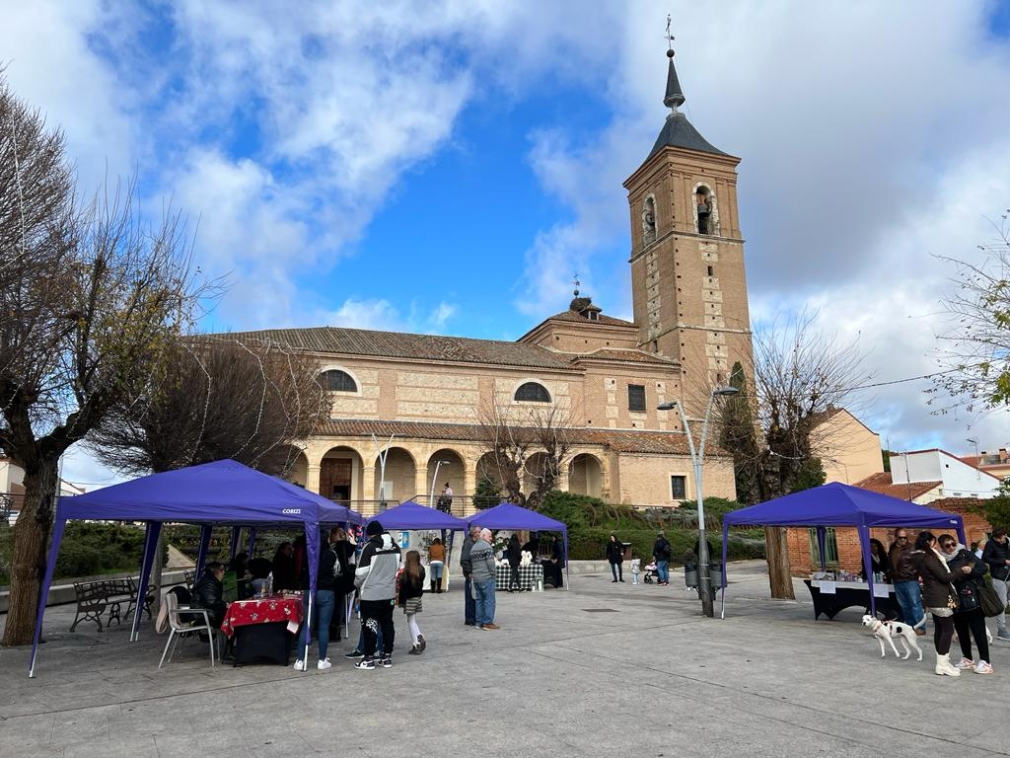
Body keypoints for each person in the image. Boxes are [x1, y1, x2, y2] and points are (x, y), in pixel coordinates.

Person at [910, 530, 973, 676]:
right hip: (940, 596)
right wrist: (961, 570)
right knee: (947, 630)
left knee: (940, 628)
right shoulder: (928, 557)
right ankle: (942, 664)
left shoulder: (918, 556)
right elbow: (944, 577)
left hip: (932, 595)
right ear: (929, 542)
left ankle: (943, 661)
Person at [939, 534, 993, 674]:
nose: (951, 547)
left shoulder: (964, 553)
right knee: (961, 630)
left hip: (971, 596)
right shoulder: (941, 559)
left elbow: (983, 568)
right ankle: (967, 659)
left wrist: (970, 572)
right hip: (955, 599)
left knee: (978, 630)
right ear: (942, 547)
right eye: (947, 545)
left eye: (953, 543)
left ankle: (986, 662)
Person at [353, 520, 401, 669]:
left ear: (370, 534)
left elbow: (361, 573)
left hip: (371, 594)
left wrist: (356, 584)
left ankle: (368, 658)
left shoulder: (369, 547)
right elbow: (398, 568)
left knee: (370, 625)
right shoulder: (396, 547)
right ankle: (387, 656)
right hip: (389, 594)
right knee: (387, 624)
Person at [294, 527, 341, 671]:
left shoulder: (309, 554)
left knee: (307, 625)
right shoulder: (332, 554)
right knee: (323, 626)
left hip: (309, 590)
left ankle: (300, 660)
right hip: (326, 591)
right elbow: (336, 571)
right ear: (327, 540)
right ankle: (322, 660)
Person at [888, 527, 925, 635]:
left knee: (915, 604)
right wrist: (890, 573)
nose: (903, 540)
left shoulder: (912, 548)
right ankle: (910, 627)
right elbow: (890, 563)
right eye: (900, 538)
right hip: (897, 580)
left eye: (905, 537)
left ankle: (920, 628)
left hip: (910, 580)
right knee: (904, 605)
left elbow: (920, 562)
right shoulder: (892, 548)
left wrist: (915, 573)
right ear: (895, 537)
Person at [981, 527, 1010, 641]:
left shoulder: (1009, 543)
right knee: (1001, 604)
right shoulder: (990, 544)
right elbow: (985, 558)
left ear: (1005, 535)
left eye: (1000, 538)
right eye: (997, 538)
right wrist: (1004, 562)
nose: (999, 540)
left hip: (1009, 575)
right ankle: (1001, 630)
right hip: (999, 576)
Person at [329, 527, 357, 643]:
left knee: (336, 605)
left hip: (338, 579)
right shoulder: (346, 546)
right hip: (344, 578)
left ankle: (335, 630)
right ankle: (336, 629)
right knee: (339, 604)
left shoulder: (339, 546)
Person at [397, 550, 426, 655]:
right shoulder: (421, 569)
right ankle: (419, 636)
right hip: (417, 597)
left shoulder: (407, 572)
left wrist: (401, 601)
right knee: (412, 619)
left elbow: (404, 589)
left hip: (409, 599)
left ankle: (416, 643)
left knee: (410, 620)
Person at [471, 528, 499, 630]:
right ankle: (488, 623)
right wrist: (493, 573)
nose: (491, 538)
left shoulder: (474, 547)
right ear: (483, 536)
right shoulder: (487, 547)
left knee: (479, 600)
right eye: (489, 536)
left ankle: (479, 622)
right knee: (489, 600)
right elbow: (490, 563)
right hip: (486, 577)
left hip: (477, 578)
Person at [190, 561, 228, 629]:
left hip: (206, 613)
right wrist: (225, 604)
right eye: (221, 570)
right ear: (215, 571)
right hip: (201, 616)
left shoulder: (211, 580)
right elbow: (211, 601)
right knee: (231, 617)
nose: (224, 572)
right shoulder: (209, 583)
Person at [460, 525, 480, 626]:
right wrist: (469, 572)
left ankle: (473, 617)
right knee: (470, 597)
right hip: (470, 574)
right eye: (478, 532)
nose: (480, 534)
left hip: (474, 573)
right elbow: (464, 560)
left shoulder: (473, 543)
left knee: (473, 596)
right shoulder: (469, 543)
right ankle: (470, 619)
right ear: (473, 533)